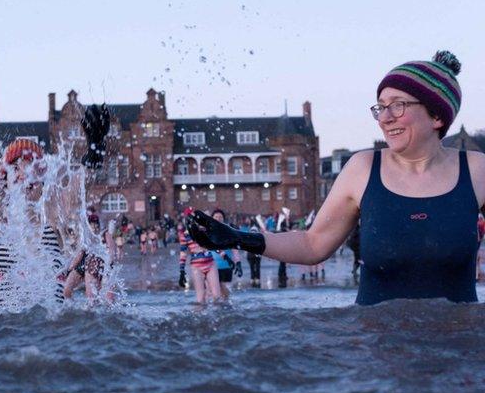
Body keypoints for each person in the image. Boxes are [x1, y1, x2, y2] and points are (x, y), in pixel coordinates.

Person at [189, 51, 483, 305]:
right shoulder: (363, 168)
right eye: (381, 107)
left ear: (437, 116)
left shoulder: (477, 170)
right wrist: (239, 238)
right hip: (379, 350)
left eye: (398, 105)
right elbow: (313, 244)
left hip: (454, 351)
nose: (384, 118)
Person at [0, 92, 109, 307]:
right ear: (5, 179)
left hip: (49, 334)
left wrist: (94, 152)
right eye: (16, 166)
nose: (24, 173)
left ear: (43, 178)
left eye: (31, 165)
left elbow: (77, 192)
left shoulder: (53, 218)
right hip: (4, 331)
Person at [178, 208, 222, 304]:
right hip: (196, 267)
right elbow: (183, 253)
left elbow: (212, 246)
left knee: (217, 296)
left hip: (210, 263)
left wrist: (224, 256)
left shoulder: (204, 230)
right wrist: (181, 271)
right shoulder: (184, 235)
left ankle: (219, 316)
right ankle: (200, 316)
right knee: (201, 298)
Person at [210, 209, 241, 299]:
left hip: (226, 265)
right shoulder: (208, 231)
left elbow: (234, 248)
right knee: (214, 288)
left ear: (223, 219)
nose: (218, 219)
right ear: (212, 218)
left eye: (220, 217)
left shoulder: (228, 231)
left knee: (223, 287)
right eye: (216, 217)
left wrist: (238, 262)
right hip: (212, 265)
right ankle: (218, 304)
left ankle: (226, 304)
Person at [243, 218, 262, 288]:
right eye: (252, 231)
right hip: (251, 255)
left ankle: (257, 278)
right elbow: (246, 247)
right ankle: (253, 278)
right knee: (252, 267)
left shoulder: (258, 239)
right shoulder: (249, 238)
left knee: (257, 267)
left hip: (257, 255)